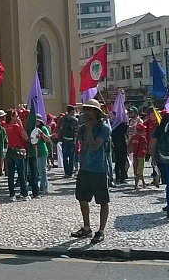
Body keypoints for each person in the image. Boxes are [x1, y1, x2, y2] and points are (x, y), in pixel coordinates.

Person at [70, 99, 111, 244]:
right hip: (85, 169)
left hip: (99, 169)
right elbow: (82, 148)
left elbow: (94, 146)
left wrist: (88, 129)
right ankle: (86, 228)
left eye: (89, 110)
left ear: (96, 112)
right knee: (82, 198)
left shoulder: (104, 128)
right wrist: (81, 165)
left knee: (103, 201)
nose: (86, 112)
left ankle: (101, 230)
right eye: (85, 109)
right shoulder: (82, 128)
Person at [4, 110, 29, 200]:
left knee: (10, 173)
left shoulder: (5, 127)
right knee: (21, 173)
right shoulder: (16, 126)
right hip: (17, 150)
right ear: (12, 116)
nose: (18, 118)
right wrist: (21, 125)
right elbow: (25, 137)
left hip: (8, 150)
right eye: (16, 116)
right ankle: (24, 194)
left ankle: (12, 194)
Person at [30, 114, 52, 194]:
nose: (36, 122)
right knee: (38, 171)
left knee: (43, 170)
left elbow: (48, 140)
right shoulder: (32, 129)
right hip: (34, 151)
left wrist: (41, 134)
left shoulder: (43, 128)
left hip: (42, 151)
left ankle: (43, 187)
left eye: (37, 121)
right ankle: (41, 185)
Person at [59, 106, 79, 177]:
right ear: (72, 111)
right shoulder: (75, 120)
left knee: (65, 156)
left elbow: (60, 128)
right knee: (71, 156)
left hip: (64, 139)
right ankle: (70, 172)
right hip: (72, 140)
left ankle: (66, 172)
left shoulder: (62, 119)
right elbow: (77, 130)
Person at [129, 123, 148, 190]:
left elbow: (129, 144)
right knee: (139, 170)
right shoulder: (143, 138)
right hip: (141, 156)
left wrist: (128, 152)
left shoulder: (133, 136)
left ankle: (143, 183)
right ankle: (136, 184)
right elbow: (145, 147)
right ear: (142, 130)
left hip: (135, 156)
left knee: (137, 170)